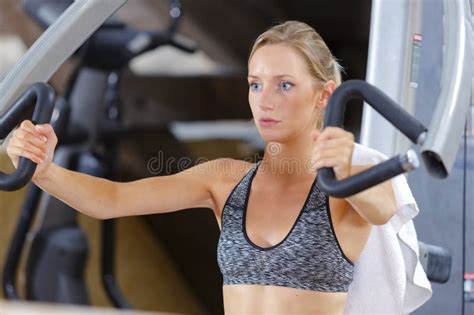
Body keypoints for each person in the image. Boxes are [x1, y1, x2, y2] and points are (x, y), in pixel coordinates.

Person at [6, 21, 396, 314]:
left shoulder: (349, 182)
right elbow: (113, 198)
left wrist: (344, 170)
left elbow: (383, 209)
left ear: (323, 94)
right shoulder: (225, 179)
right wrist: (44, 171)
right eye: (255, 84)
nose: (265, 101)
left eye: (285, 85)